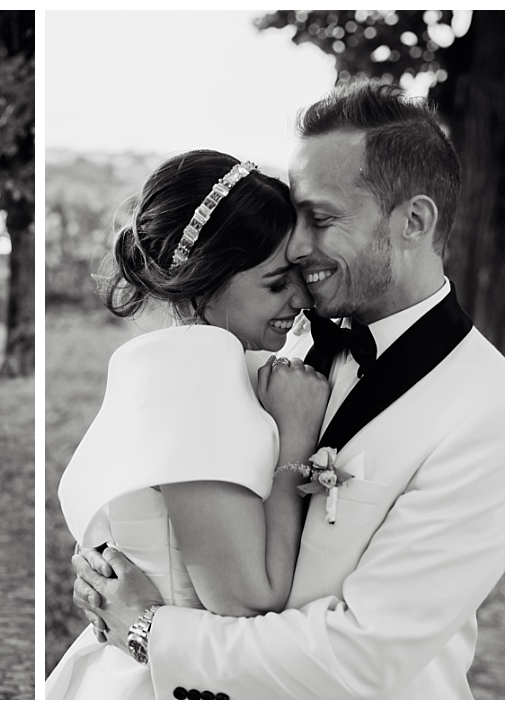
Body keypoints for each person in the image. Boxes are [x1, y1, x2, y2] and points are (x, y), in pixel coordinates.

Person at [72, 81, 503, 699]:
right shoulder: (281, 346)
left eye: (321, 219)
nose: (297, 248)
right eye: (296, 218)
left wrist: (148, 628)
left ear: (414, 220)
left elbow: (362, 653)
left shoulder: (488, 409)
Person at [46, 150, 331, 699]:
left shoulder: (175, 360)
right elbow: (248, 598)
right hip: (171, 680)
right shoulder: (199, 370)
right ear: (205, 280)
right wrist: (295, 437)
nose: (300, 299)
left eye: (297, 276)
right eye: (276, 283)